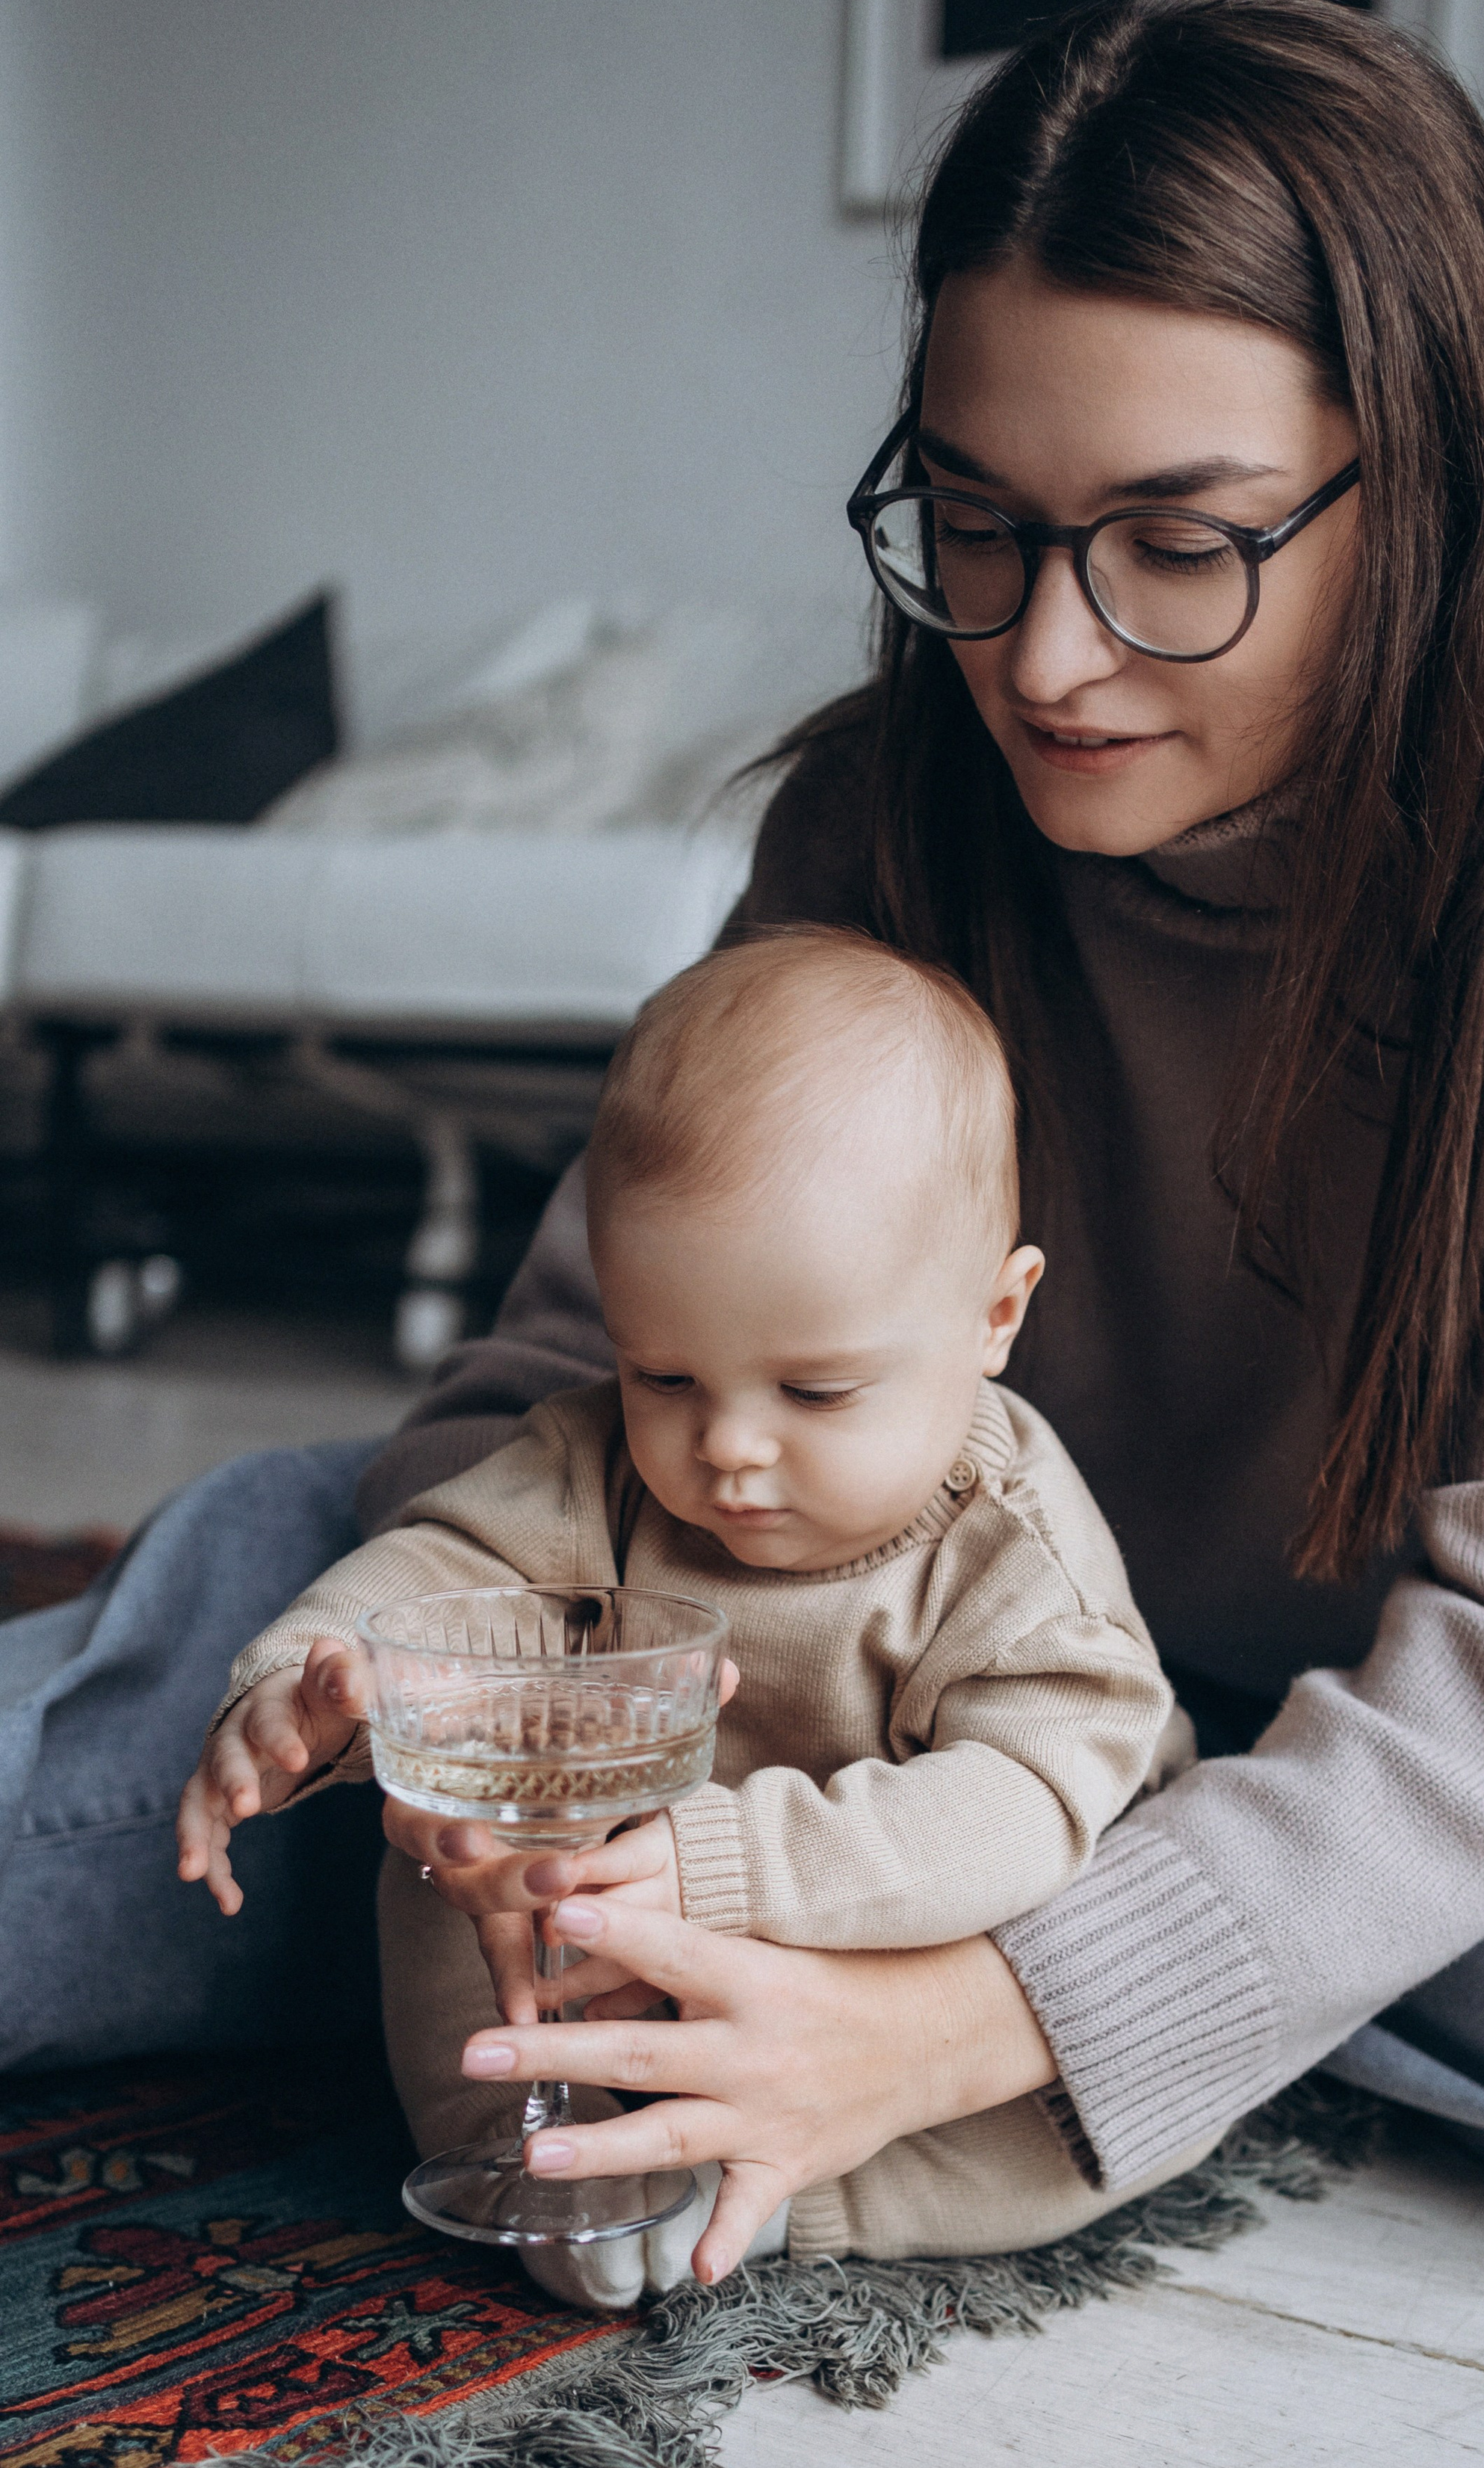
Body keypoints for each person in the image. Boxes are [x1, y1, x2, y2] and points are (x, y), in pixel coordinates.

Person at [16, 0, 1484, 2265]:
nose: (1042, 658)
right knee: (280, 1648)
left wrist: (963, 2014)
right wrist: (449, 1729)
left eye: (1179, 543)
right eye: (978, 522)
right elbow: (552, 1398)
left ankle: (982, 1943)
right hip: (870, 1672)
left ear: (1421, 483)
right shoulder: (887, 802)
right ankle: (902, 1936)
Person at [179, 928, 1199, 2295]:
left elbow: (1022, 1812)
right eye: (664, 1374)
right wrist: (321, 1677)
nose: (727, 1447)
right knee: (461, 1849)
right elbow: (447, 1560)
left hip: (892, 1953)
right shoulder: (598, 1461)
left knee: (1074, 2068)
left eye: (815, 1392)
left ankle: (798, 2195)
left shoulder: (1011, 1555)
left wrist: (724, 1864)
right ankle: (538, 2142)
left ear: (994, 1315)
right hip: (625, 1918)